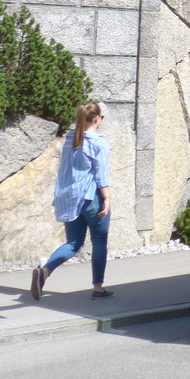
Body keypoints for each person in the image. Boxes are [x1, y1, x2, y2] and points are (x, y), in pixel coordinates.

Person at [32, 102, 113, 301]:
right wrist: (107, 198)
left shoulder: (71, 139)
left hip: (70, 198)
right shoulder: (98, 142)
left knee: (73, 243)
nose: (102, 120)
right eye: (101, 117)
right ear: (96, 119)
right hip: (92, 197)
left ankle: (46, 271)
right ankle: (98, 288)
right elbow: (101, 175)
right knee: (99, 242)